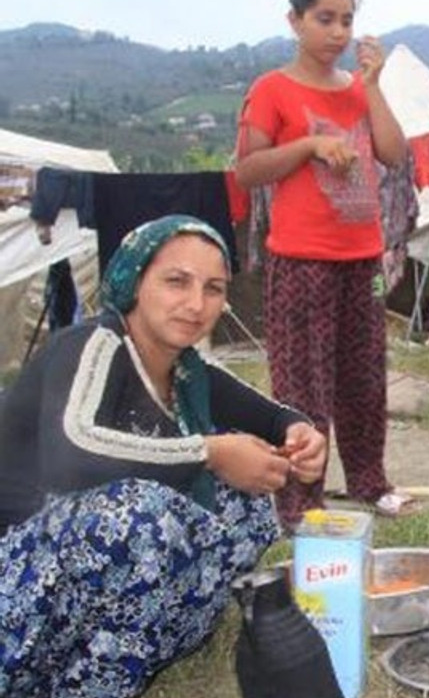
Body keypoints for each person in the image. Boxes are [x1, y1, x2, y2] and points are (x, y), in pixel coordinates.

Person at [0, 215, 328, 698]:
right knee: (136, 513)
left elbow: (274, 417)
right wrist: (209, 451)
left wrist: (300, 433)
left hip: (85, 596)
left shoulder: (187, 371)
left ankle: (122, 659)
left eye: (214, 289)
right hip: (17, 588)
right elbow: (70, 451)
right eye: (176, 281)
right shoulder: (94, 343)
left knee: (250, 502)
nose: (196, 304)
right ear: (134, 281)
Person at [235, 0, 411, 525]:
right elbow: (248, 169)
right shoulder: (273, 89)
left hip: (362, 257)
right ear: (295, 21)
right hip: (301, 258)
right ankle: (300, 501)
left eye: (346, 20)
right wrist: (310, 145)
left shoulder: (358, 89)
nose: (337, 31)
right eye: (325, 19)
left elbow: (394, 153)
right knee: (302, 382)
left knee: (364, 378)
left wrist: (374, 83)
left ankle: (369, 482)